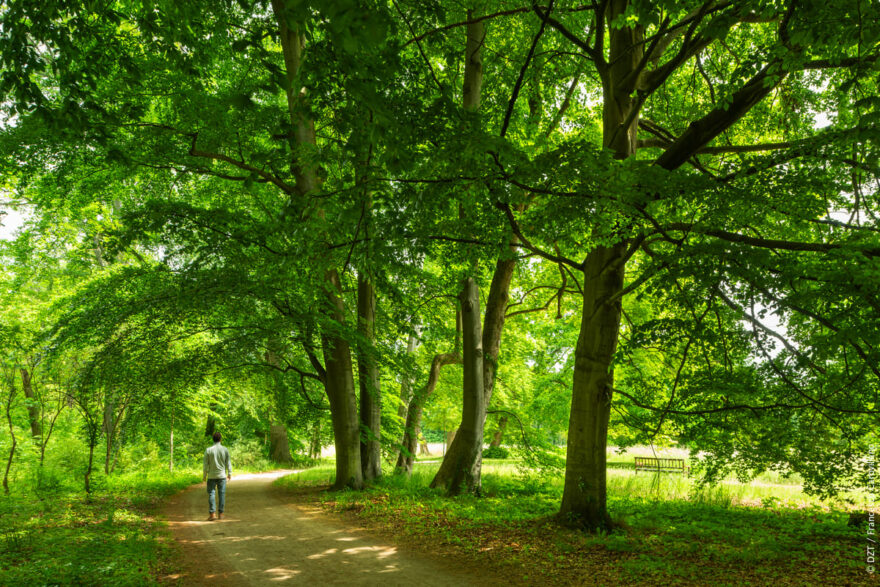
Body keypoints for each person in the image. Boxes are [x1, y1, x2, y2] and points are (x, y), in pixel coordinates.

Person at [203, 431, 232, 521]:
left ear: (213, 439)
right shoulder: (225, 449)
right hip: (222, 476)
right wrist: (229, 474)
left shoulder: (208, 450)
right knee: (221, 494)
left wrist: (204, 475)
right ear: (220, 439)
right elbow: (228, 463)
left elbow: (205, 464)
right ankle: (221, 514)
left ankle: (212, 514)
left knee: (211, 494)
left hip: (211, 476)